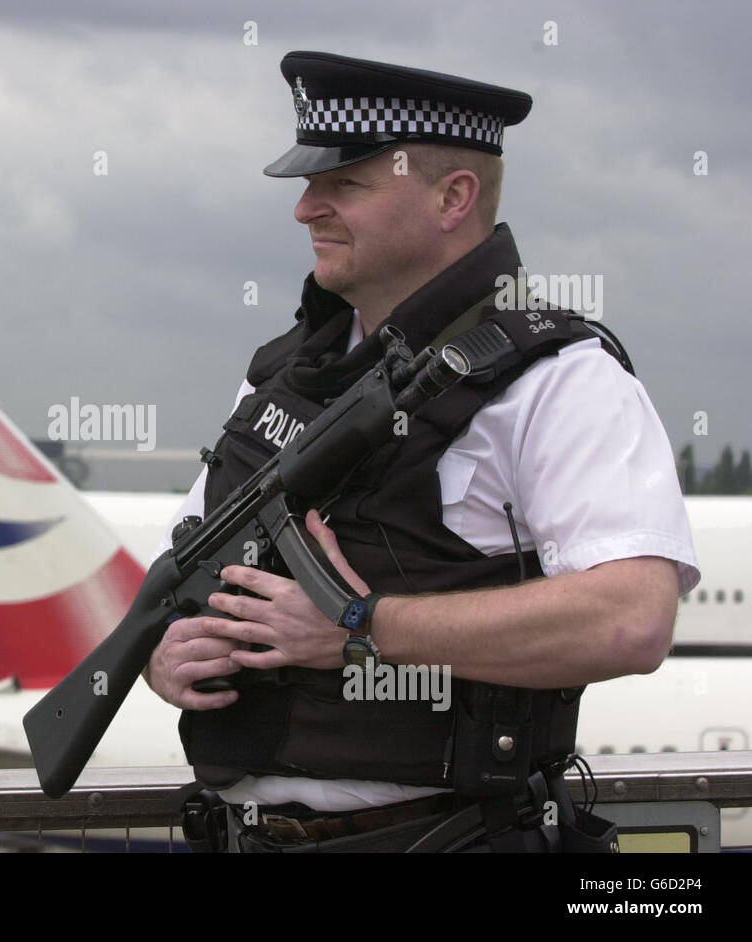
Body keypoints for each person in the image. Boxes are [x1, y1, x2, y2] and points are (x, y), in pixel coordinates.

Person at [143, 50, 701, 852]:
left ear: (453, 197)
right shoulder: (279, 378)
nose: (306, 208)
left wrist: (359, 629)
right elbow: (186, 581)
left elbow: (631, 621)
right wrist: (171, 658)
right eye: (309, 185)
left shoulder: (558, 382)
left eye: (346, 184)